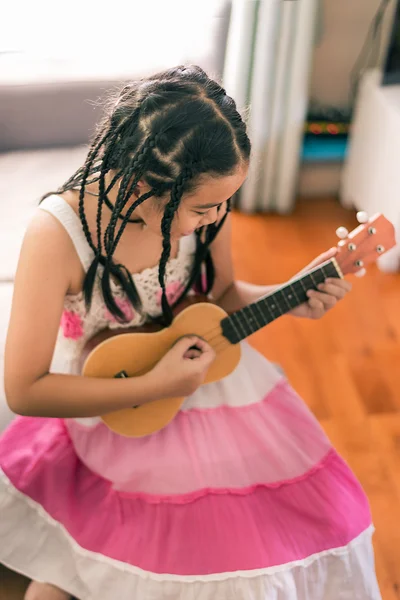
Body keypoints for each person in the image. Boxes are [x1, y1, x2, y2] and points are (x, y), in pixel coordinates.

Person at [0, 65, 381, 600]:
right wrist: (158, 386)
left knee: (273, 533)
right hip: (110, 400)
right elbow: (24, 389)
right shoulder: (57, 233)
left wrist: (293, 296)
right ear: (139, 184)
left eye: (226, 202)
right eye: (204, 207)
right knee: (87, 562)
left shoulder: (207, 212)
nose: (218, 217)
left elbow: (218, 299)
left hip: (201, 381)